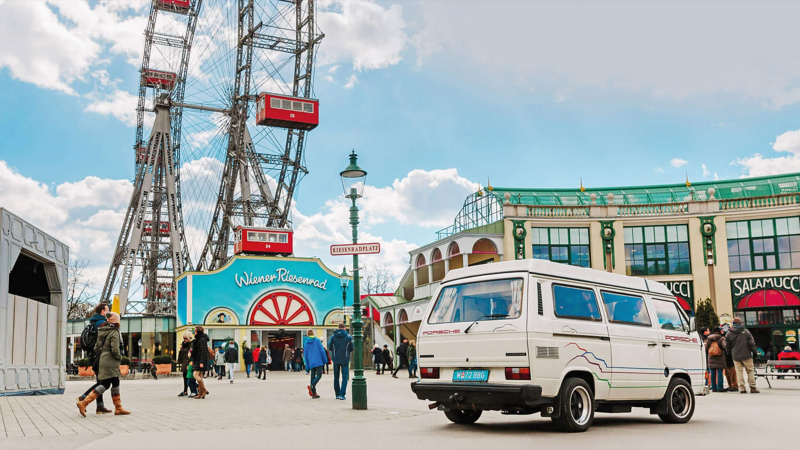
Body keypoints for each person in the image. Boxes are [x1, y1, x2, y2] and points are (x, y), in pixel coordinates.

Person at [77, 312, 130, 416]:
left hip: (103, 360)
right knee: (105, 384)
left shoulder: (102, 330)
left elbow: (96, 347)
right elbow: (115, 349)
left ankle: (118, 408)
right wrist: (120, 357)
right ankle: (84, 403)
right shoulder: (114, 332)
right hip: (111, 361)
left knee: (115, 382)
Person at [76, 303, 112, 414]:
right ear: (102, 312)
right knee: (104, 383)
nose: (109, 311)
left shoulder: (93, 322)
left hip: (93, 356)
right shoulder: (102, 323)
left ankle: (100, 406)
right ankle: (83, 397)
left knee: (100, 381)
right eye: (107, 309)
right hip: (100, 357)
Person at [726, 318, 759, 394]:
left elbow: (727, 346)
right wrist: (754, 352)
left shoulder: (729, 333)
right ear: (740, 323)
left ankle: (742, 388)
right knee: (750, 371)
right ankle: (752, 387)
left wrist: (729, 354)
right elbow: (752, 343)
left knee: (739, 372)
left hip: (736, 355)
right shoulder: (746, 331)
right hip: (746, 354)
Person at [328, 323, 354, 400]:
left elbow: (330, 347)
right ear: (344, 328)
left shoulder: (333, 336)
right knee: (344, 377)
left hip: (336, 358)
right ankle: (342, 394)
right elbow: (351, 348)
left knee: (336, 377)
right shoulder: (348, 337)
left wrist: (334, 352)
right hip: (345, 358)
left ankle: (337, 394)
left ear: (338, 328)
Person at [303, 330, 326, 398]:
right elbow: (322, 351)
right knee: (319, 375)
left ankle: (314, 393)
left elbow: (305, 355)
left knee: (312, 377)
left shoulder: (306, 343)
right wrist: (325, 360)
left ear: (307, 334)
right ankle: (312, 386)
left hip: (311, 362)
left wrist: (307, 365)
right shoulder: (317, 341)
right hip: (318, 361)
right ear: (313, 333)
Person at [191, 326, 210, 399]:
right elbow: (196, 351)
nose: (194, 331)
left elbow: (203, 351)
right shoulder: (198, 339)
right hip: (197, 359)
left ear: (198, 331)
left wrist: (201, 362)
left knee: (195, 375)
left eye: (195, 330)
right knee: (200, 376)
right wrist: (193, 360)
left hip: (200, 360)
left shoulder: (202, 339)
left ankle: (204, 390)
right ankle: (201, 393)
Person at [706, 327, 726, 392]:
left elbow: (706, 349)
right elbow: (725, 346)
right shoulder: (722, 338)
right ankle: (720, 387)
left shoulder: (709, 339)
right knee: (720, 372)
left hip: (711, 358)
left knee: (712, 372)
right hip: (720, 357)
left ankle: (714, 387)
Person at [722, 327, 739, 391]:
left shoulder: (727, 338)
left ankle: (732, 385)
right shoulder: (728, 337)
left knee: (730, 372)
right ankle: (732, 385)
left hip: (728, 356)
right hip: (729, 356)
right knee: (730, 372)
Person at [177, 331, 193, 396]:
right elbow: (181, 355)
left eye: (186, 338)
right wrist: (180, 350)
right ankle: (185, 391)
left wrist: (189, 363)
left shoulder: (191, 344)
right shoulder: (183, 344)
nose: (185, 340)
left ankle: (197, 389)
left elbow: (191, 354)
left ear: (189, 338)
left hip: (189, 363)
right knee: (185, 377)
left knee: (190, 378)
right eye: (184, 338)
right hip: (184, 363)